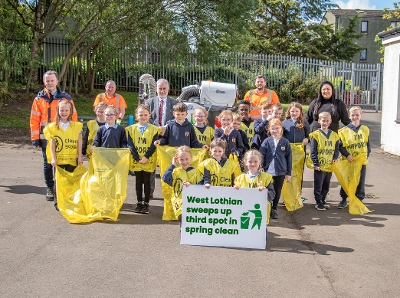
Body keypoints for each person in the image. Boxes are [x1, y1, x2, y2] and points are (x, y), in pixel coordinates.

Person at [30, 70, 78, 201]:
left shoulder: (66, 98)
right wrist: (35, 138)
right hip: (46, 137)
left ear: (57, 81)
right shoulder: (39, 99)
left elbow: (73, 117)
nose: (49, 83)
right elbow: (34, 119)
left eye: (52, 80)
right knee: (48, 163)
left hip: (63, 136)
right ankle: (50, 188)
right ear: (44, 82)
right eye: (47, 81)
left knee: (63, 162)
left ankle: (62, 188)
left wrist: (74, 136)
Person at [43, 100, 83, 211]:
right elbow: (52, 144)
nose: (64, 112)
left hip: (71, 159)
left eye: (66, 110)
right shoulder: (53, 127)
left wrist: (80, 156)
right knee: (58, 182)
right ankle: (58, 202)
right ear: (58, 110)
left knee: (71, 181)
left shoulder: (76, 126)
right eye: (62, 110)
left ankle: (69, 201)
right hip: (59, 160)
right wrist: (53, 158)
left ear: (70, 111)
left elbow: (79, 142)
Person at [145, 78, 178, 200]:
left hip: (169, 136)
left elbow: (177, 119)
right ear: (156, 89)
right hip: (153, 136)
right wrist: (156, 128)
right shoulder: (149, 102)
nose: (162, 91)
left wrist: (166, 127)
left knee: (169, 164)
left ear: (168, 89)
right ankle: (150, 191)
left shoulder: (175, 103)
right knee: (151, 164)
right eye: (160, 88)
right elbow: (146, 118)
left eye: (164, 88)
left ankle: (169, 191)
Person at [126, 105, 159, 214]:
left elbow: (154, 145)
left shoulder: (154, 130)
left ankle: (146, 203)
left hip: (148, 160)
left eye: (145, 115)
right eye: (141, 115)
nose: (143, 117)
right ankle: (139, 202)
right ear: (136, 116)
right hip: (137, 160)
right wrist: (137, 157)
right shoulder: (131, 129)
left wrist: (146, 157)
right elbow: (130, 144)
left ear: (149, 115)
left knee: (147, 181)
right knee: (138, 181)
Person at [337, 106, 370, 209]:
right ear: (349, 116)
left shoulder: (364, 129)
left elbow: (367, 145)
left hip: (361, 161)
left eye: (357, 115)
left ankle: (359, 199)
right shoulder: (343, 131)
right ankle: (344, 199)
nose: (355, 117)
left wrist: (366, 154)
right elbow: (340, 147)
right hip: (349, 161)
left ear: (361, 116)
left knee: (360, 180)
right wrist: (347, 155)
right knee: (347, 180)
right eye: (353, 115)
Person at [259, 119, 292, 219]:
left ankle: (274, 209)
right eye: (272, 128)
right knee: (267, 190)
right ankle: (266, 208)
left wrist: (288, 173)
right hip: (268, 171)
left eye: (277, 128)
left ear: (281, 129)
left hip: (280, 171)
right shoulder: (267, 141)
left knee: (277, 191)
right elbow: (261, 155)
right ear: (269, 129)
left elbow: (289, 157)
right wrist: (260, 167)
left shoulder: (285, 142)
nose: (275, 130)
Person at [234, 150, 275, 226]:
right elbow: (235, 198)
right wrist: (235, 191)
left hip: (261, 212)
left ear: (260, 162)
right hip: (244, 213)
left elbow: (272, 195)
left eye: (255, 161)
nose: (253, 164)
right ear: (245, 162)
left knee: (261, 235)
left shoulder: (266, 177)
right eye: (250, 161)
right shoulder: (239, 178)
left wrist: (264, 192)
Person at [162, 146, 203, 221]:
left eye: (187, 159)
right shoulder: (176, 172)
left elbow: (201, 186)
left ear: (191, 158)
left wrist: (192, 186)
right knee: (183, 225)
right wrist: (172, 165)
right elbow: (166, 178)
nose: (184, 162)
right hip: (179, 204)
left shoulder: (196, 172)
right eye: (181, 159)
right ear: (177, 160)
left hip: (192, 204)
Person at [309, 112, 340, 211]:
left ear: (330, 121)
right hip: (320, 165)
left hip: (329, 164)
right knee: (319, 184)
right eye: (323, 121)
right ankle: (318, 201)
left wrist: (335, 157)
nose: (325, 123)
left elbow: (336, 148)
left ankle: (323, 199)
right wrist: (315, 163)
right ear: (319, 121)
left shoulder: (334, 135)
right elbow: (313, 150)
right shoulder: (316, 135)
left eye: (327, 121)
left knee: (326, 183)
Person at [282, 102, 310, 201]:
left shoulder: (304, 123)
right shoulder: (285, 123)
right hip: (288, 152)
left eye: (296, 111)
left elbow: (308, 136)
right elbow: (282, 136)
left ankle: (298, 194)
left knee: (298, 173)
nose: (294, 113)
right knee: (288, 172)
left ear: (300, 112)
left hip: (300, 152)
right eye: (292, 111)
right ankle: (288, 194)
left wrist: (306, 139)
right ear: (289, 111)